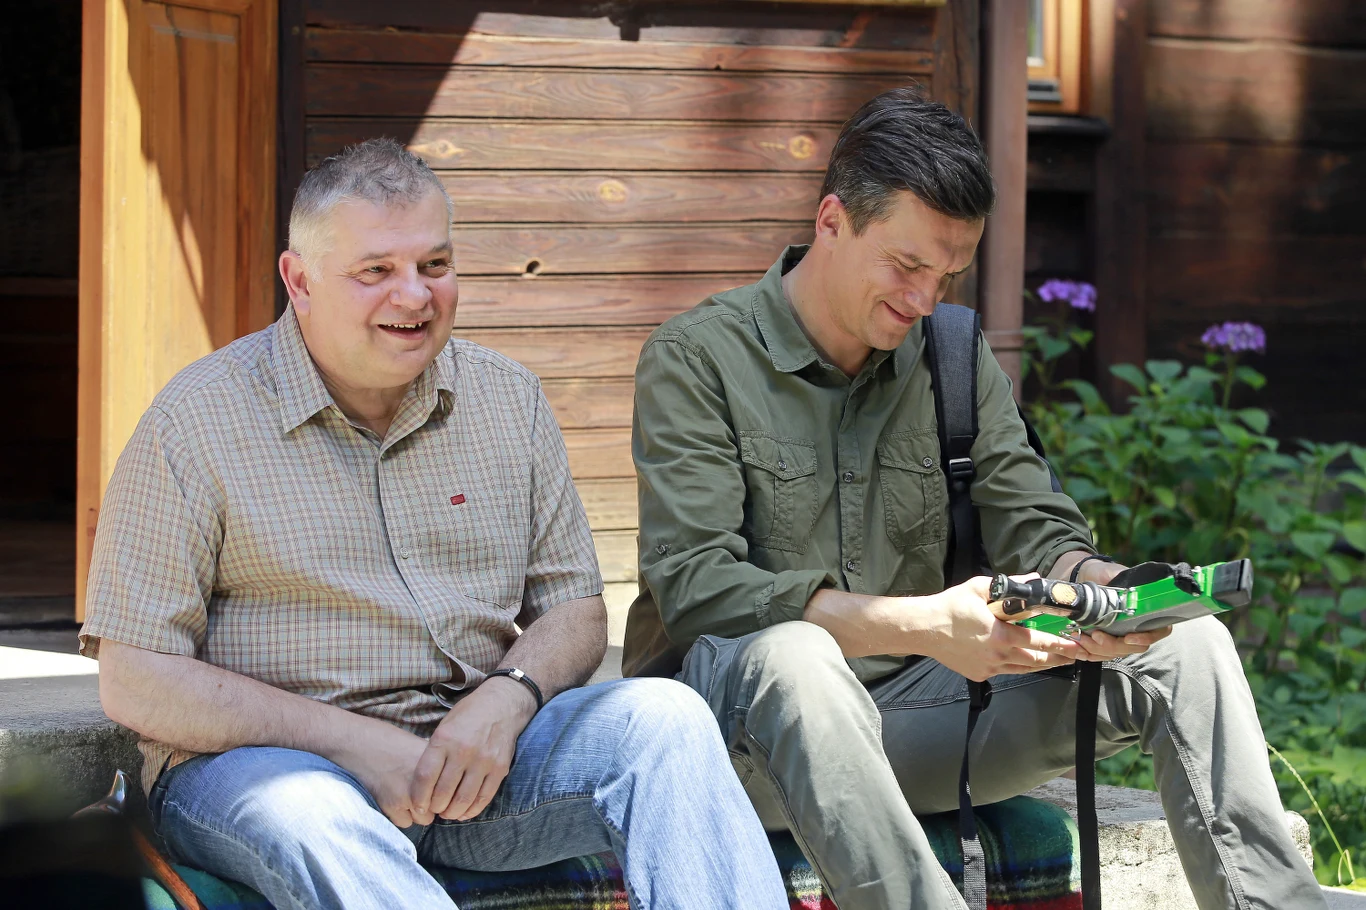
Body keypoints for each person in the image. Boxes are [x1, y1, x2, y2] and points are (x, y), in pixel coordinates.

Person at [624, 88, 1327, 910]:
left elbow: (1034, 522)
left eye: (947, 275)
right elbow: (700, 590)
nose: (925, 300)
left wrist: (1098, 591)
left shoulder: (951, 353)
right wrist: (926, 624)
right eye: (907, 266)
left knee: (1187, 644)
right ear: (832, 221)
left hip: (918, 718)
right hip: (740, 750)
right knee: (797, 658)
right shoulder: (695, 359)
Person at [79, 138, 789, 910]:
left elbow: (576, 609)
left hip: (471, 761)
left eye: (435, 265)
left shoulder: (508, 399)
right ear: (300, 280)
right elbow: (135, 677)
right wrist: (353, 741)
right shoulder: (194, 420)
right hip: (266, 770)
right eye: (377, 271)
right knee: (310, 811)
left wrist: (510, 695)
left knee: (666, 718)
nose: (415, 296)